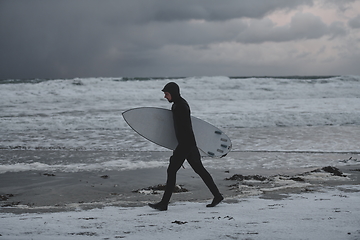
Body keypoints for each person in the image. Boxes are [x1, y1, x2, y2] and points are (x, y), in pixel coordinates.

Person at [148, 82, 223, 211]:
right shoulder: (178, 105)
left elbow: (186, 130)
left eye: (167, 94)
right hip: (188, 144)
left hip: (186, 144)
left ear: (173, 93)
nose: (165, 97)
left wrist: (180, 150)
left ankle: (164, 203)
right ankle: (217, 196)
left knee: (171, 171)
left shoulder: (181, 106)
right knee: (200, 171)